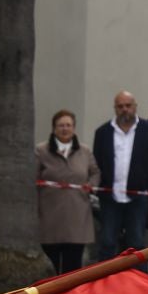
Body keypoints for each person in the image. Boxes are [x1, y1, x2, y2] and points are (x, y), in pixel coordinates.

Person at [92, 91, 148, 264]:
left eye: (128, 106)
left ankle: (138, 284)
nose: (124, 110)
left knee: (137, 243)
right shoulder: (103, 132)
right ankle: (104, 282)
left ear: (135, 107)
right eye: (120, 106)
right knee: (107, 242)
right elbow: (97, 163)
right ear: (115, 108)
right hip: (110, 197)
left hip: (139, 197)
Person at [33, 110, 97, 275]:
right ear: (54, 128)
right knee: (52, 264)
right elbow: (33, 177)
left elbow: (95, 172)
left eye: (68, 125)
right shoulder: (41, 151)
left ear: (74, 128)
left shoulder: (85, 151)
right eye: (61, 125)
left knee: (73, 265)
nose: (64, 129)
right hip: (50, 215)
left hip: (77, 214)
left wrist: (91, 185)